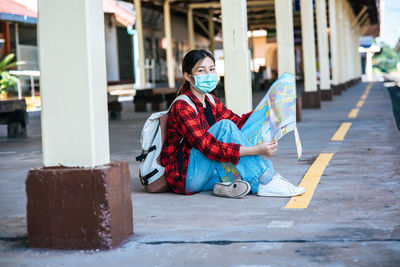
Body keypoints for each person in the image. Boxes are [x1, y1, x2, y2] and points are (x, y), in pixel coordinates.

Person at [160, 49, 305, 198]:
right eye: (201, 70)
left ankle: (225, 187)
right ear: (188, 77)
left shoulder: (211, 100)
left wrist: (268, 108)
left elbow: (240, 123)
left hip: (207, 171)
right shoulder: (183, 106)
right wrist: (255, 150)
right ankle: (266, 182)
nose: (208, 75)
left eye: (211, 69)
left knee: (261, 165)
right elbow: (207, 147)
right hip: (187, 175)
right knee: (226, 128)